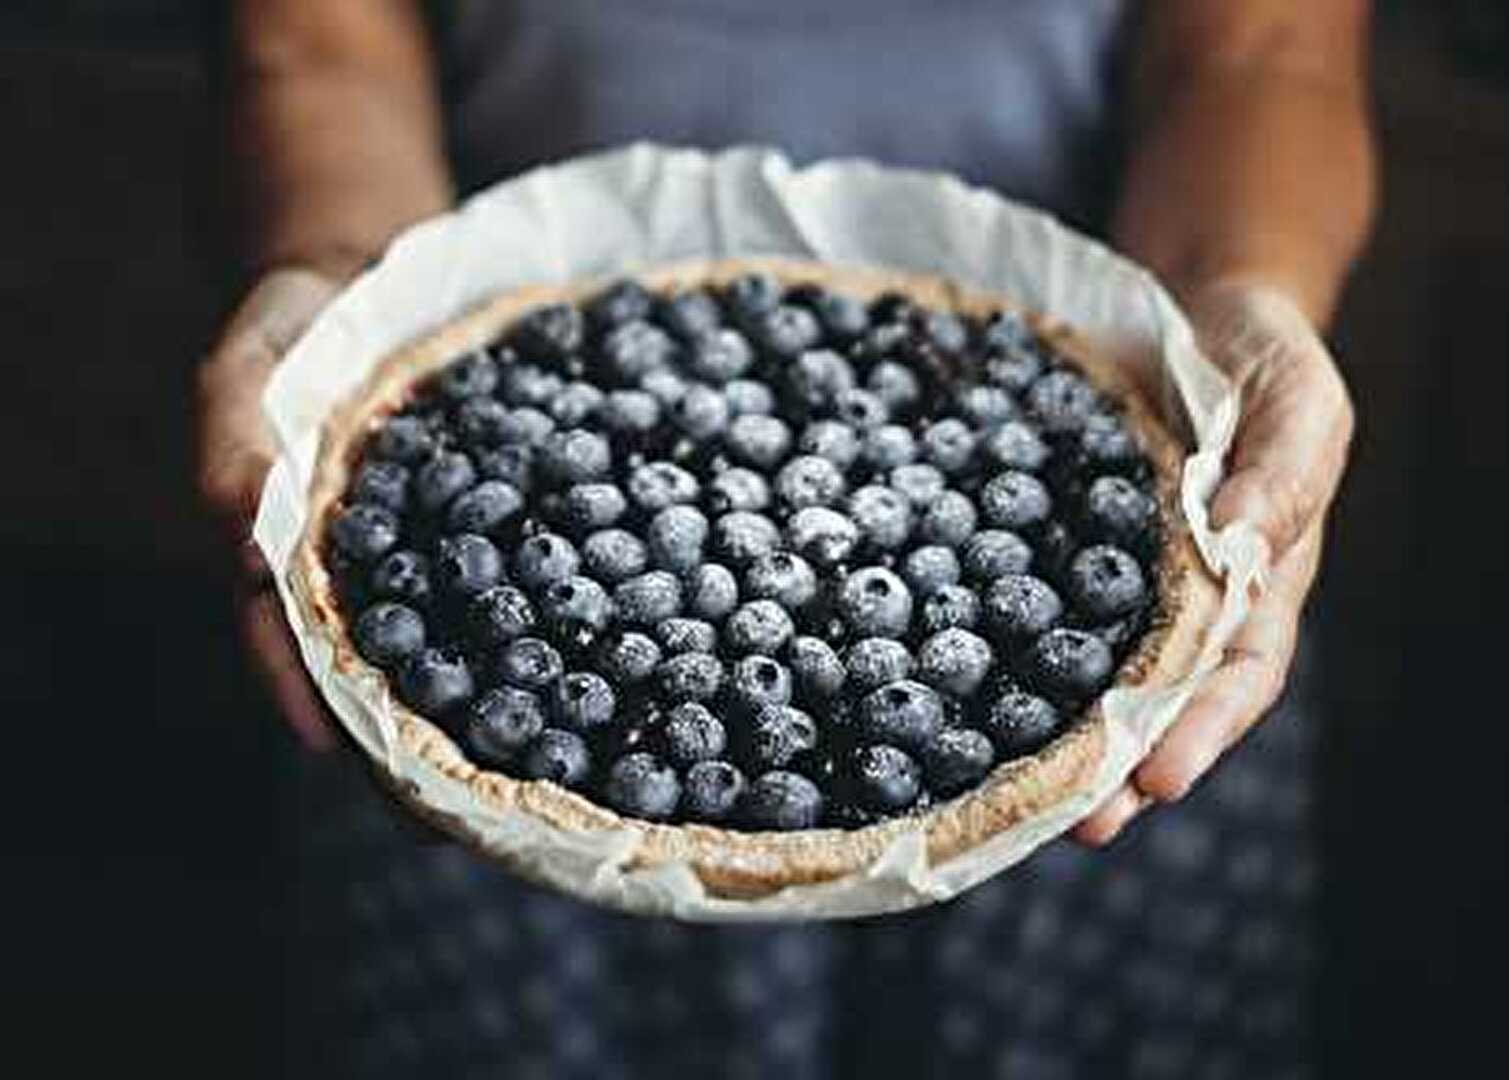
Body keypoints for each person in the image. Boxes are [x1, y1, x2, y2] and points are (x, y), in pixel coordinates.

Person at [197, 1, 1373, 1075]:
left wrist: (1233, 308)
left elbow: (1262, 51)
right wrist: (352, 292)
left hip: (1103, 607)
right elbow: (319, 43)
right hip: (504, 610)